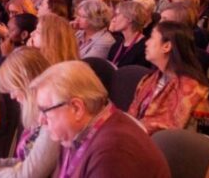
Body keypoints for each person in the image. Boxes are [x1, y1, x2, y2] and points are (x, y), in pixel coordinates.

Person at [29, 61, 170, 178]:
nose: (41, 120)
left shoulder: (114, 151)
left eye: (45, 111)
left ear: (77, 108)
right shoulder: (74, 134)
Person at [0, 48, 59, 178]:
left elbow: (29, 174)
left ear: (26, 82)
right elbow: (27, 162)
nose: (12, 96)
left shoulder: (51, 121)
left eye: (13, 89)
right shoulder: (38, 117)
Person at [129, 21, 209, 134]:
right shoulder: (149, 80)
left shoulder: (195, 92)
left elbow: (189, 142)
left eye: (151, 38)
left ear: (167, 46)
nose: (146, 43)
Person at [106, 0, 150, 68]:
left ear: (129, 18)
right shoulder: (116, 44)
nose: (113, 19)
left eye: (117, 15)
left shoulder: (144, 48)